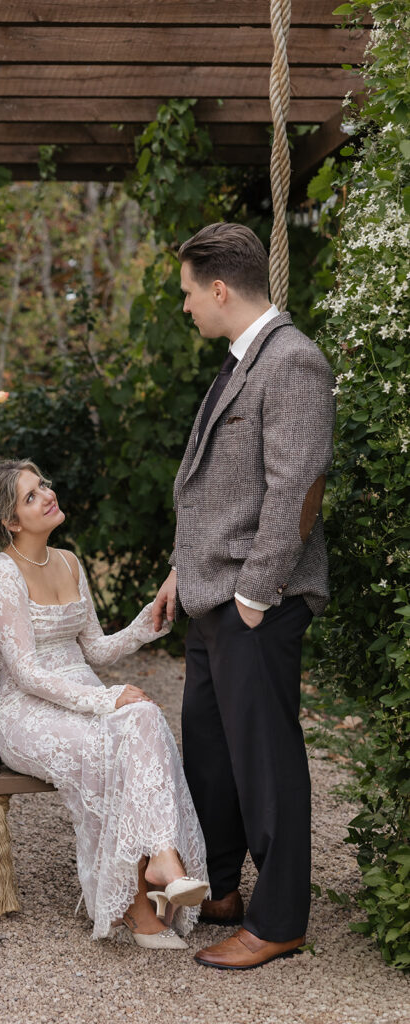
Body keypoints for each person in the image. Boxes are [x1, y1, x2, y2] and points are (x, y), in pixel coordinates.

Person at [152, 223, 336, 970]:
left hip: (254, 600)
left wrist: (255, 598)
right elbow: (217, 489)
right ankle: (222, 888)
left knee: (265, 762)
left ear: (220, 289)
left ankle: (279, 919)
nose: (186, 306)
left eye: (189, 293)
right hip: (210, 596)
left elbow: (299, 488)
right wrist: (179, 570)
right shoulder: (242, 360)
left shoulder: (292, 362)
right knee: (211, 751)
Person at [0, 459, 208, 949]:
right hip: (29, 712)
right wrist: (103, 698)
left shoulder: (70, 561)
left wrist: (147, 623)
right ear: (11, 521)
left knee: (144, 717)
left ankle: (162, 856)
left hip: (81, 696)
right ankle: (139, 908)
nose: (47, 495)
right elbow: (28, 672)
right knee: (108, 748)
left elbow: (93, 648)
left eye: (44, 485)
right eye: (31, 496)